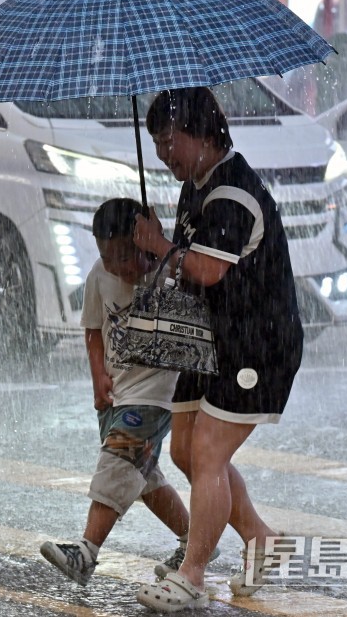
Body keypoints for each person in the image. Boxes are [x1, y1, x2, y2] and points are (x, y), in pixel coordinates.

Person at [131, 87, 303, 612]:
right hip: (213, 340)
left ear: (204, 134)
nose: (164, 154)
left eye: (169, 142)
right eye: (156, 144)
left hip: (259, 344)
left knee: (207, 451)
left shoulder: (231, 193)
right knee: (185, 450)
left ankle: (193, 575)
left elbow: (206, 268)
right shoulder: (199, 182)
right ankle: (261, 540)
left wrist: (161, 246)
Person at [39, 198, 217, 587]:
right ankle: (194, 540)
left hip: (156, 397)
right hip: (116, 394)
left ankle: (86, 552)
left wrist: (162, 251)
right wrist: (97, 376)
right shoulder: (98, 277)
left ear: (144, 243)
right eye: (109, 257)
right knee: (142, 476)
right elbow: (91, 330)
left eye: (127, 256)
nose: (120, 267)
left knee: (119, 461)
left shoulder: (170, 274)